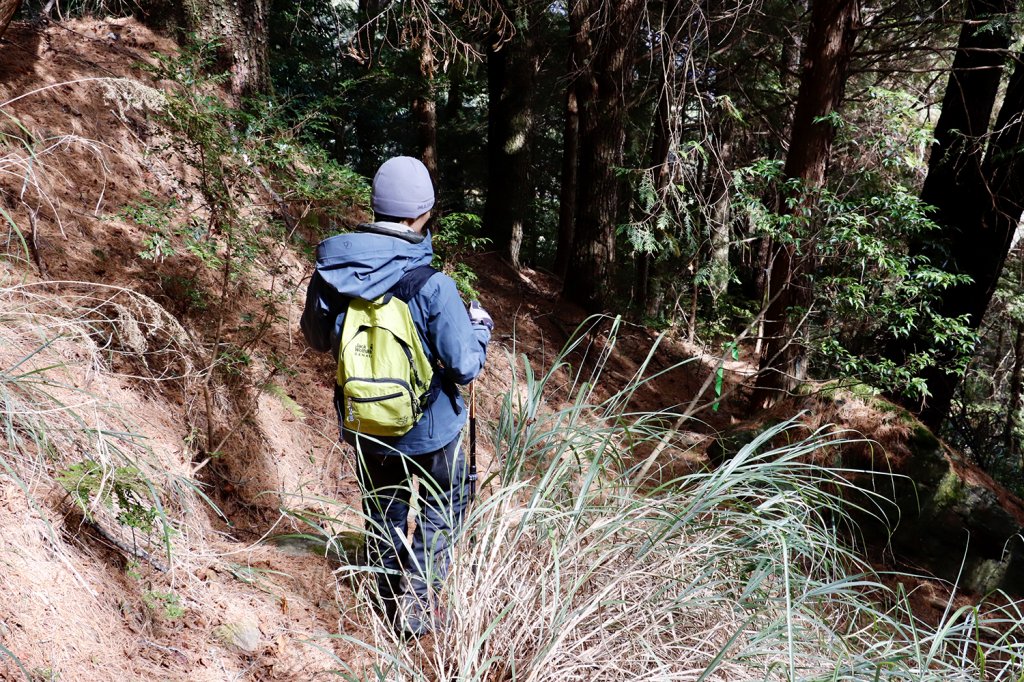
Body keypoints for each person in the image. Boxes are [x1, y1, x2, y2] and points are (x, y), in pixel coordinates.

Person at [300, 156, 492, 637]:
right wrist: (480, 329)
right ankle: (420, 604)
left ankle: (384, 600)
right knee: (443, 505)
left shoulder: (332, 274)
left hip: (366, 423)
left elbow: (316, 339)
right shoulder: (433, 285)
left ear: (376, 206)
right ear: (423, 212)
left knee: (384, 507)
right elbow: (465, 366)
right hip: (431, 429)